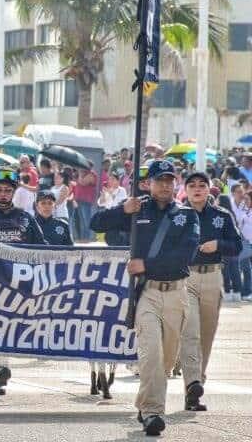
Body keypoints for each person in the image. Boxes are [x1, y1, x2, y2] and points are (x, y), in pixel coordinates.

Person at [90, 160, 200, 436]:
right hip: (147, 293)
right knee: (150, 353)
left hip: (176, 293)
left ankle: (145, 403)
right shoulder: (137, 210)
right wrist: (121, 210)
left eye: (169, 179)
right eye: (159, 180)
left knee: (165, 360)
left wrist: (146, 264)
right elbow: (95, 223)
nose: (165, 185)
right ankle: (153, 412)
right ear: (147, 184)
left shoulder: (187, 216)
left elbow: (185, 255)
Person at [0, 167, 47, 396]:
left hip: (17, 280)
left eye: (7, 190)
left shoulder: (25, 218)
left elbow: (42, 249)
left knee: (7, 324)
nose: (3, 194)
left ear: (14, 191)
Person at [179, 171, 242, 411]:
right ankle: (192, 382)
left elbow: (237, 246)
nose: (197, 189)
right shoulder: (177, 216)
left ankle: (196, 385)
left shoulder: (221, 216)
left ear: (209, 190)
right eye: (192, 185)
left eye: (202, 185)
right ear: (185, 190)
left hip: (214, 276)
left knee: (206, 335)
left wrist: (219, 245)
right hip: (186, 278)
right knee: (190, 333)